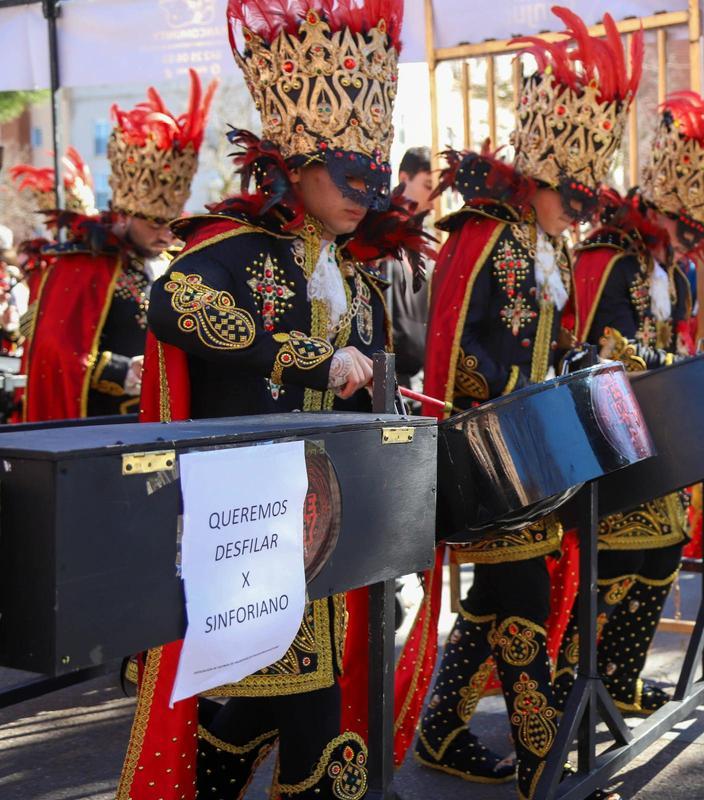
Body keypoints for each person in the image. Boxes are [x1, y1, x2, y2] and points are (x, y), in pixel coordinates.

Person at [119, 3, 428, 797]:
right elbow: (174, 305)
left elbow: (372, 396)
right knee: (304, 703)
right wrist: (307, 359)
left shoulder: (357, 277)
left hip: (337, 534)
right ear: (297, 163)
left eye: (375, 176)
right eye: (349, 175)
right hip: (252, 531)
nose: (367, 195)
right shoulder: (234, 248)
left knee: (298, 699)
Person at [409, 11, 639, 798]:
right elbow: (454, 350)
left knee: (496, 600)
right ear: (538, 178)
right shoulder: (485, 235)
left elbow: (549, 343)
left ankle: (441, 731)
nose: (579, 213)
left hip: (533, 458)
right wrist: (513, 397)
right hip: (486, 460)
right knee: (524, 602)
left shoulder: (546, 245)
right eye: (570, 196)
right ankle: (543, 768)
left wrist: (582, 367)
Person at [559, 88, 704, 715]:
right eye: (682, 227)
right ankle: (572, 691)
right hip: (610, 439)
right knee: (616, 561)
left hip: (659, 434)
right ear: (658, 208)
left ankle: (620, 679)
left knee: (665, 551)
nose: (687, 242)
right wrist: (678, 366)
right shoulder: (609, 258)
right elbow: (600, 349)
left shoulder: (671, 270)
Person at [13, 114, 190, 422]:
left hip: (171, 417)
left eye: (173, 227)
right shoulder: (84, 266)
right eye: (154, 224)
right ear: (125, 215)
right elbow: (54, 350)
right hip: (106, 423)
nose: (166, 236)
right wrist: (122, 370)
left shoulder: (177, 262)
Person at [390, 146, 434, 389]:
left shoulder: (423, 246)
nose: (434, 199)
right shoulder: (377, 237)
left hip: (414, 382)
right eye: (428, 186)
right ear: (404, 178)